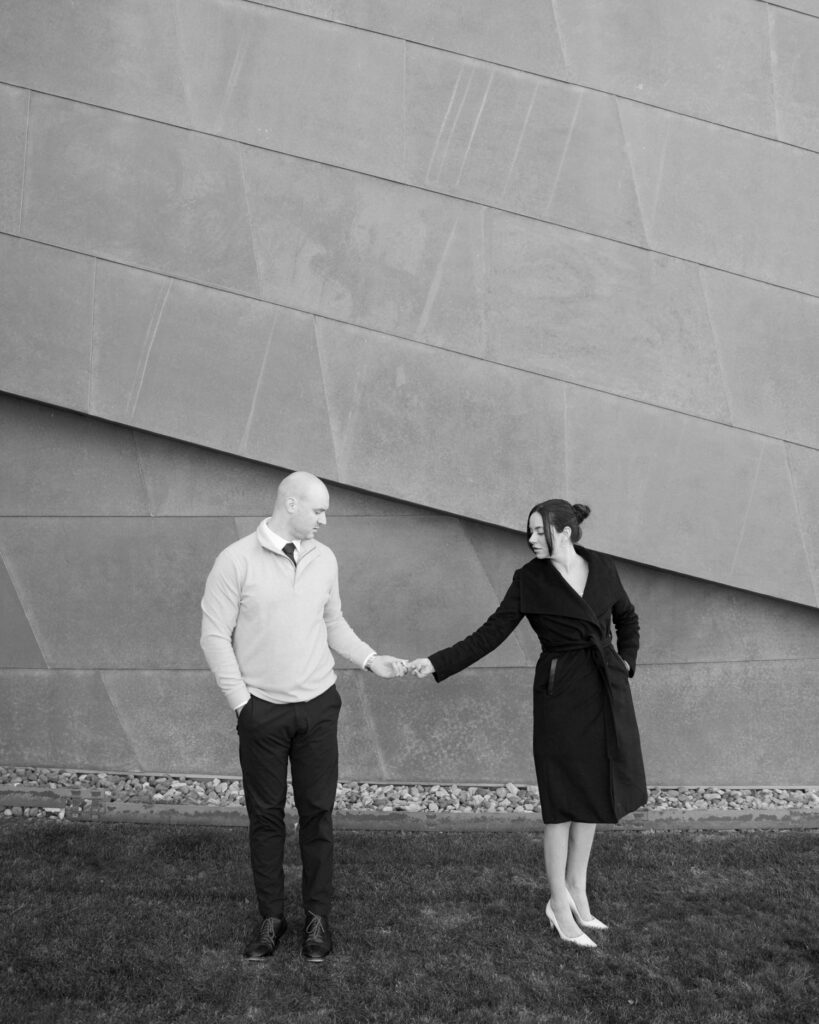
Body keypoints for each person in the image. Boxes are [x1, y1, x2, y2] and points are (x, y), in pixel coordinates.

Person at [407, 500, 646, 949]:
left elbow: (626, 617)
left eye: (540, 531)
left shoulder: (603, 567)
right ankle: (558, 902)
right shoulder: (529, 580)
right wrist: (436, 663)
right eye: (530, 532)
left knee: (593, 791)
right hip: (560, 695)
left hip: (604, 689)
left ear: (567, 531)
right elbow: (489, 634)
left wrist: (627, 662)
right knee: (561, 801)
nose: (532, 539)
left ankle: (577, 888)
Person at [200, 471, 407, 963]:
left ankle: (317, 919)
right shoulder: (234, 561)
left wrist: (370, 658)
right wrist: (241, 704)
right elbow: (213, 636)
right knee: (266, 818)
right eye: (318, 511)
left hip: (319, 707)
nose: (324, 520)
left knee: (318, 816)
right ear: (290, 504)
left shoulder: (324, 558)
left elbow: (332, 621)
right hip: (262, 714)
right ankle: (271, 918)